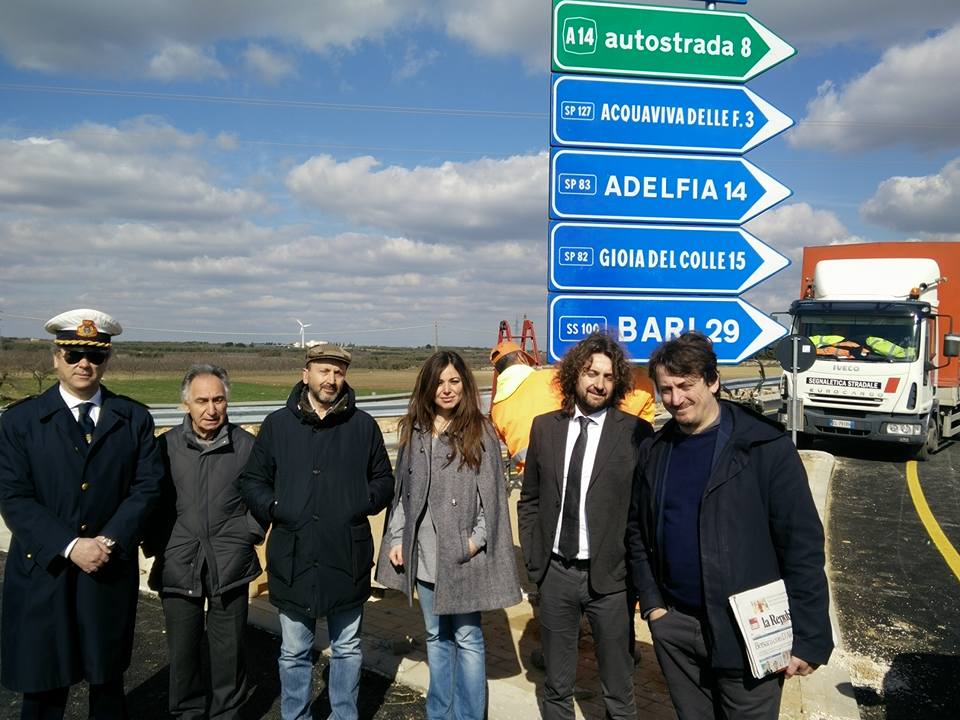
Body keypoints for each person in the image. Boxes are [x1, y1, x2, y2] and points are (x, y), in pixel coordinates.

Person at [626, 331, 833, 720]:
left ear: (713, 381)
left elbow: (801, 546)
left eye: (685, 386)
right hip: (676, 628)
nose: (675, 399)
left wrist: (810, 635)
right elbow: (638, 531)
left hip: (749, 633)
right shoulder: (655, 450)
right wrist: (653, 606)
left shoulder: (764, 448)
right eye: (666, 389)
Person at [0, 308, 163, 719]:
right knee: (43, 686)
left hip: (106, 569)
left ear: (107, 360)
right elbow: (13, 496)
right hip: (45, 569)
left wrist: (107, 541)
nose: (84, 364)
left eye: (95, 355)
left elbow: (147, 487)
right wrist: (71, 546)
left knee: (107, 683)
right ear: (56, 358)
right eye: (73, 354)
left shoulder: (134, 418)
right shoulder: (20, 421)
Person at [241, 343, 394, 720]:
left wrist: (360, 502)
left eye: (338, 372)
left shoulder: (363, 426)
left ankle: (344, 715)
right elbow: (253, 480)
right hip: (293, 556)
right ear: (305, 374)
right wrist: (277, 507)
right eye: (324, 371)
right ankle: (296, 716)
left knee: (348, 649)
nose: (331, 379)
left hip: (346, 555)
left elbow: (384, 480)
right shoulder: (278, 425)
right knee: (294, 652)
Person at [376, 351, 521, 720]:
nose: (446, 389)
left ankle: (469, 716)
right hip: (424, 555)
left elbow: (493, 500)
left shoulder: (480, 431)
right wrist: (397, 537)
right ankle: (439, 713)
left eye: (454, 381)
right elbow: (403, 492)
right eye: (439, 382)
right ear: (427, 387)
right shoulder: (416, 430)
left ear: (465, 385)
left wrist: (472, 542)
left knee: (468, 639)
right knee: (436, 637)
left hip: (463, 558)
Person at [518, 332, 654, 720]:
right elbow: (529, 500)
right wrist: (536, 562)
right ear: (574, 375)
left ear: (618, 382)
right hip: (556, 574)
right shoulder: (544, 428)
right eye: (591, 373)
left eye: (608, 376)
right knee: (556, 687)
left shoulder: (635, 433)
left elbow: (644, 511)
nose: (599, 383)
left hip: (611, 581)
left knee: (619, 690)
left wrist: (634, 573)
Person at [144, 364, 263, 719]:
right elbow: (150, 500)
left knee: (230, 654)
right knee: (183, 656)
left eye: (218, 400)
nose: (211, 409)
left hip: (231, 565)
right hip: (178, 564)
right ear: (186, 404)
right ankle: (188, 714)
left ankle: (227, 714)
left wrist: (247, 535)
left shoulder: (246, 447)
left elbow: (262, 496)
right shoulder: (165, 447)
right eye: (202, 401)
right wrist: (159, 545)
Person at [489, 340, 655, 474]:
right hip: (572, 465)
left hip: (529, 475)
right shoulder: (548, 378)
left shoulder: (497, 409)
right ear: (521, 357)